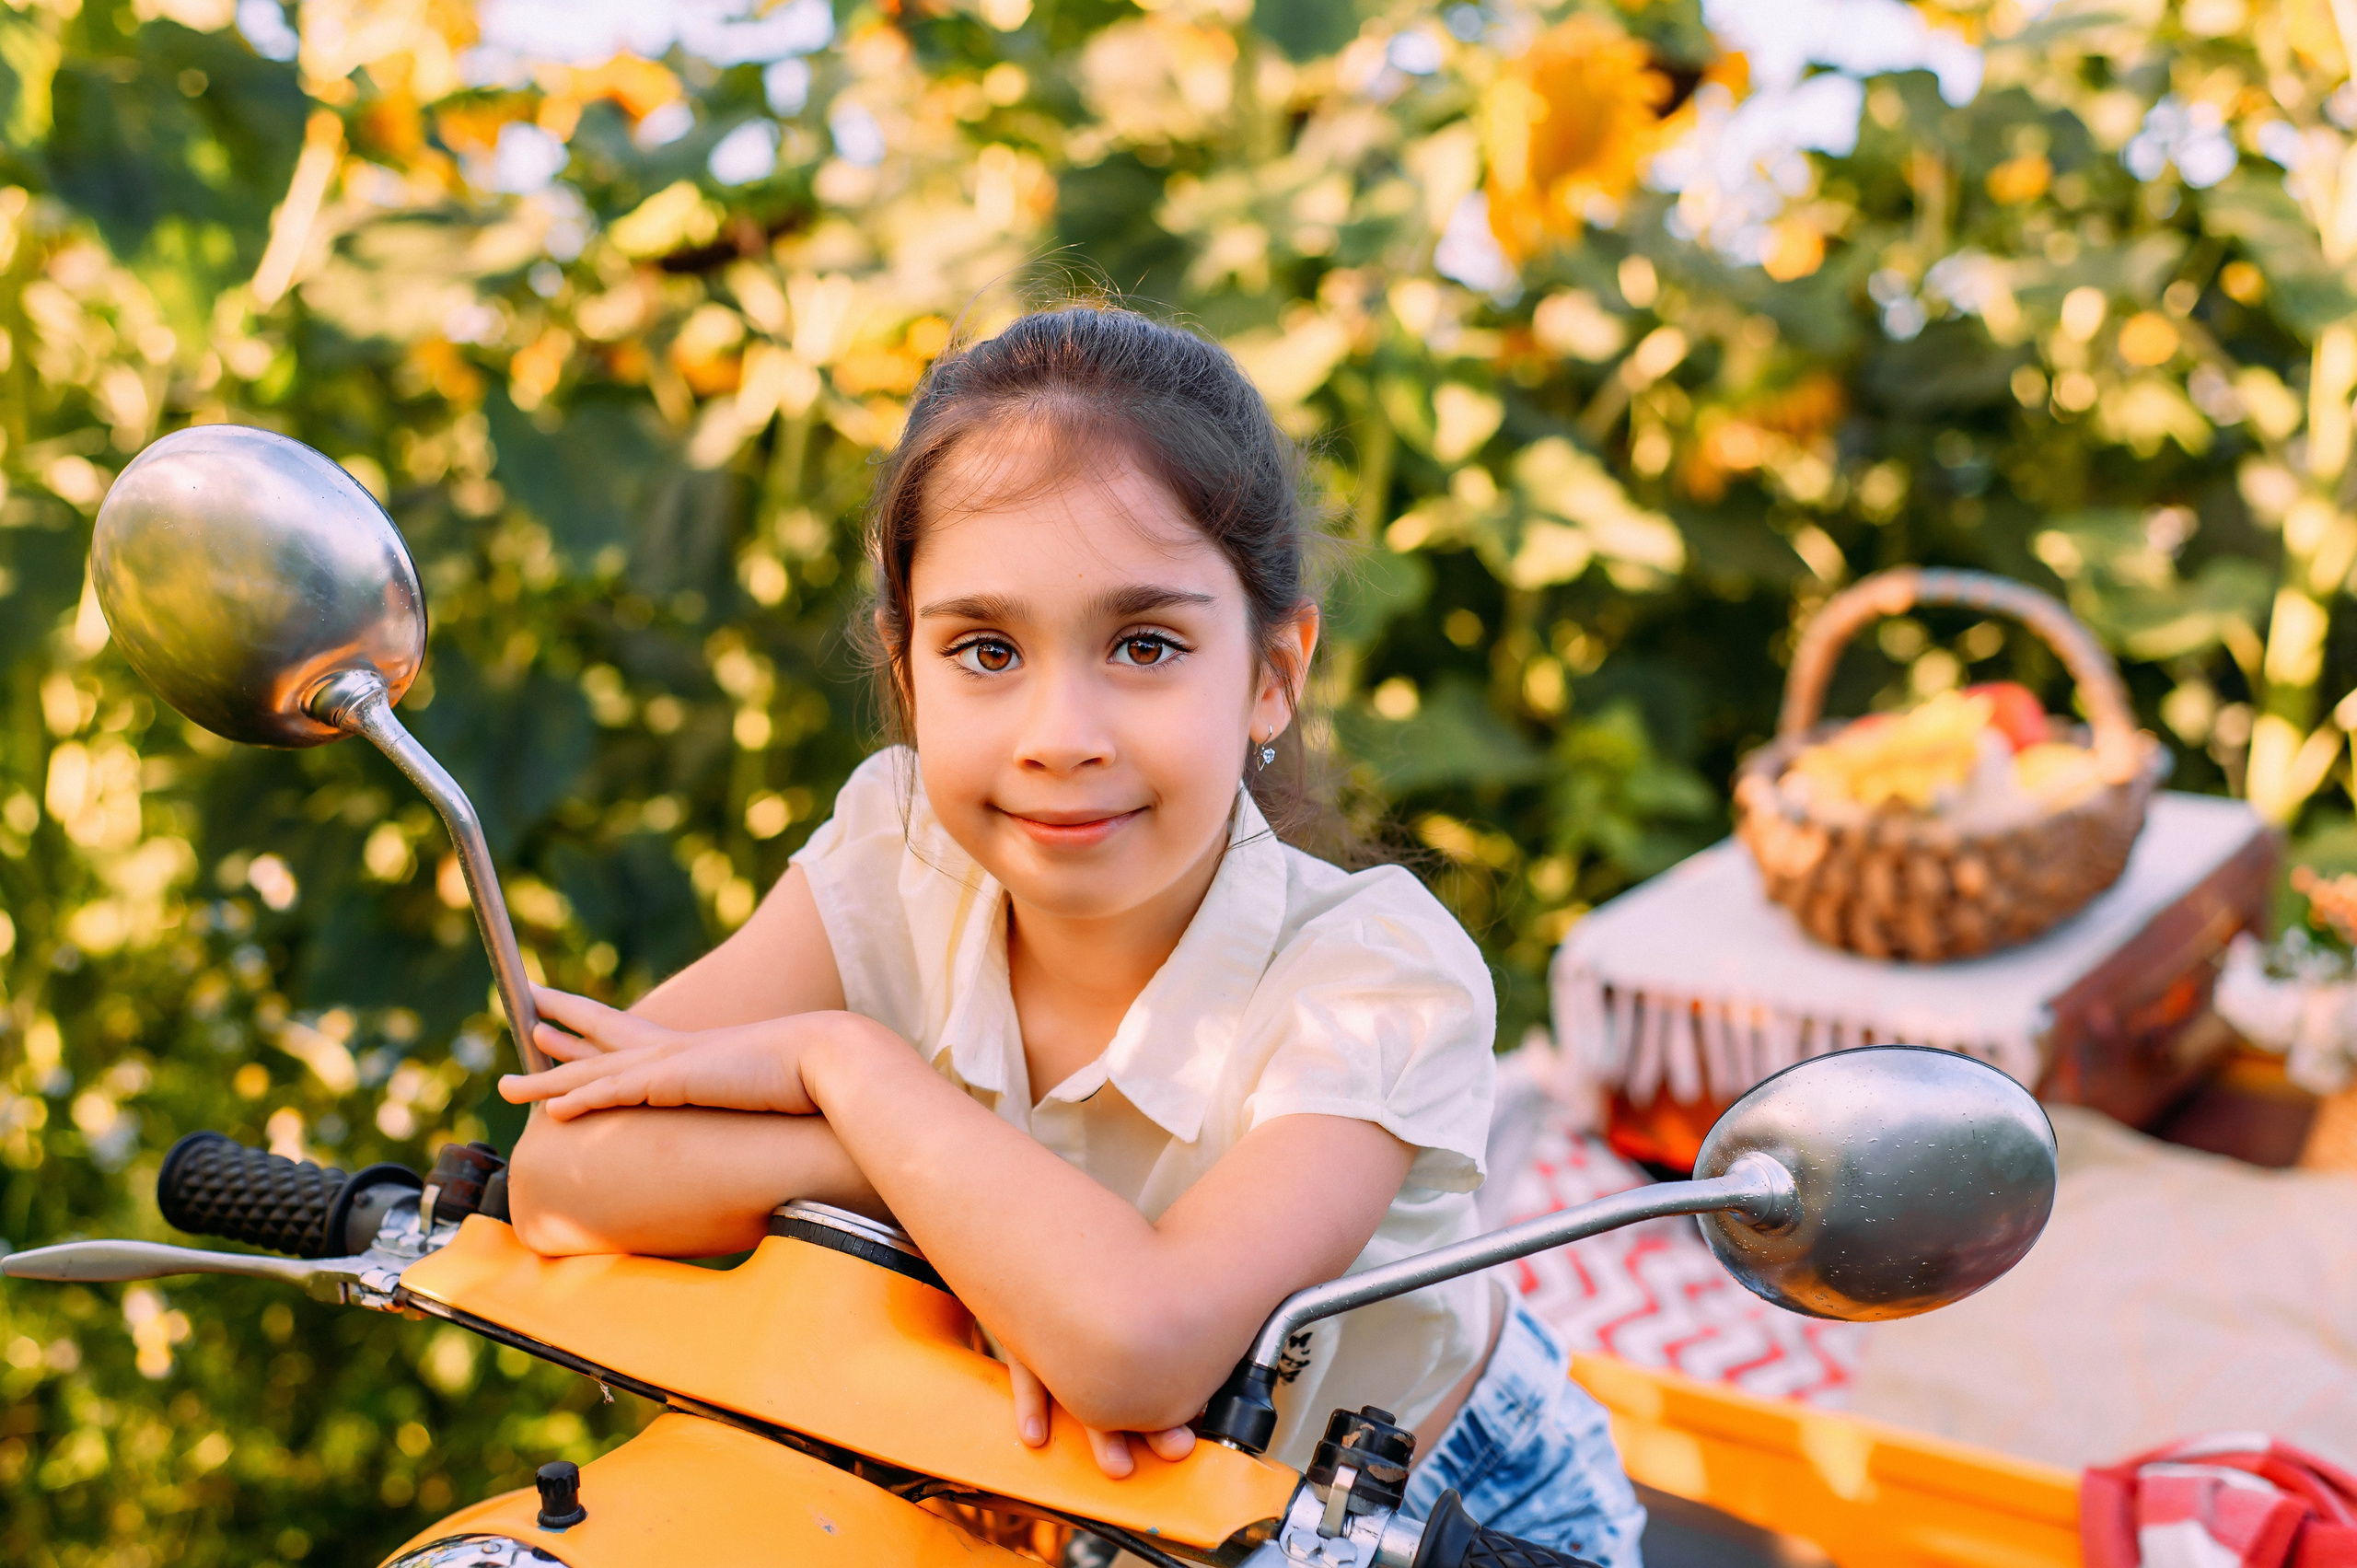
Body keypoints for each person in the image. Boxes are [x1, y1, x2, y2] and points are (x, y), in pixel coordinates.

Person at [498, 303, 1645, 1565]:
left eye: (1145, 644)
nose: (1060, 733)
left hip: (1430, 1514)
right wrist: (935, 1202)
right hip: (1053, 1496)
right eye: (986, 649)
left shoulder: (1375, 980)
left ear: (1273, 670)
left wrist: (854, 1072)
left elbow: (1136, 1350)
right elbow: (563, 1177)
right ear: (907, 665)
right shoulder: (898, 851)